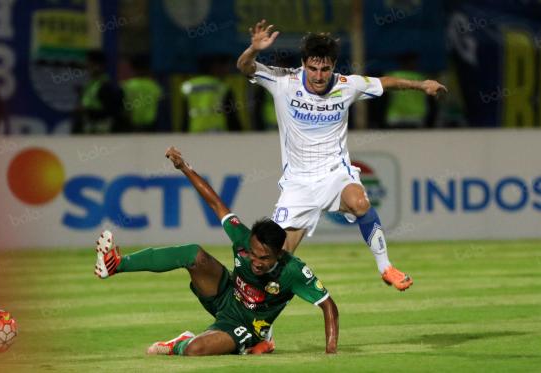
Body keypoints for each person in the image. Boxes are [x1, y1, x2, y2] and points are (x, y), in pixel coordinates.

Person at [237, 20, 447, 290]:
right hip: (298, 183)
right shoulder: (283, 81)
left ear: (333, 67)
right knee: (275, 261)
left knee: (360, 202)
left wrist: (421, 85)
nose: (318, 76)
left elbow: (386, 82)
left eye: (325, 69)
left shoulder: (347, 85)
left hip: (335, 173)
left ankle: (386, 267)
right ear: (303, 64)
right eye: (313, 68)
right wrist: (254, 49)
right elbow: (244, 67)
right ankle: (262, 326)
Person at [93, 146, 339, 356]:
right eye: (253, 254)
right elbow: (215, 203)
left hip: (247, 327)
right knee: (193, 254)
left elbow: (328, 306)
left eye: (264, 258)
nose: (255, 261)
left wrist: (331, 352)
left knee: (194, 351)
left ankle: (181, 343)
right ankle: (117, 264)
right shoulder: (243, 238)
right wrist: (184, 167)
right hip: (225, 295)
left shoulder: (293, 270)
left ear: (279, 254)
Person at [181, 55, 241, 133]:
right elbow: (232, 117)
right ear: (215, 67)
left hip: (194, 132)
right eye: (225, 66)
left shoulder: (188, 86)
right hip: (218, 133)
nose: (227, 70)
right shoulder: (222, 87)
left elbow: (184, 116)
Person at [72, 50, 126, 134]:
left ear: (99, 66)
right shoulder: (90, 84)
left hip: (101, 132)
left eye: (90, 65)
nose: (87, 68)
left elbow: (111, 112)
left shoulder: (106, 86)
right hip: (88, 129)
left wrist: (87, 111)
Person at [121, 54, 163, 132]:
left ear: (133, 68)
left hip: (133, 124)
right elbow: (160, 105)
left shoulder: (128, 85)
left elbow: (126, 107)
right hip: (151, 125)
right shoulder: (154, 86)